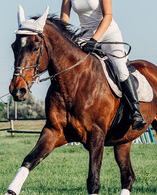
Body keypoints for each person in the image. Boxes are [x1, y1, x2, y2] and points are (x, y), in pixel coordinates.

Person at [61, 0, 147, 130]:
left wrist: (94, 39)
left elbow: (108, 16)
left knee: (120, 69)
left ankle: (136, 112)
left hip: (108, 34)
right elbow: (64, 18)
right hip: (84, 36)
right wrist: (64, 36)